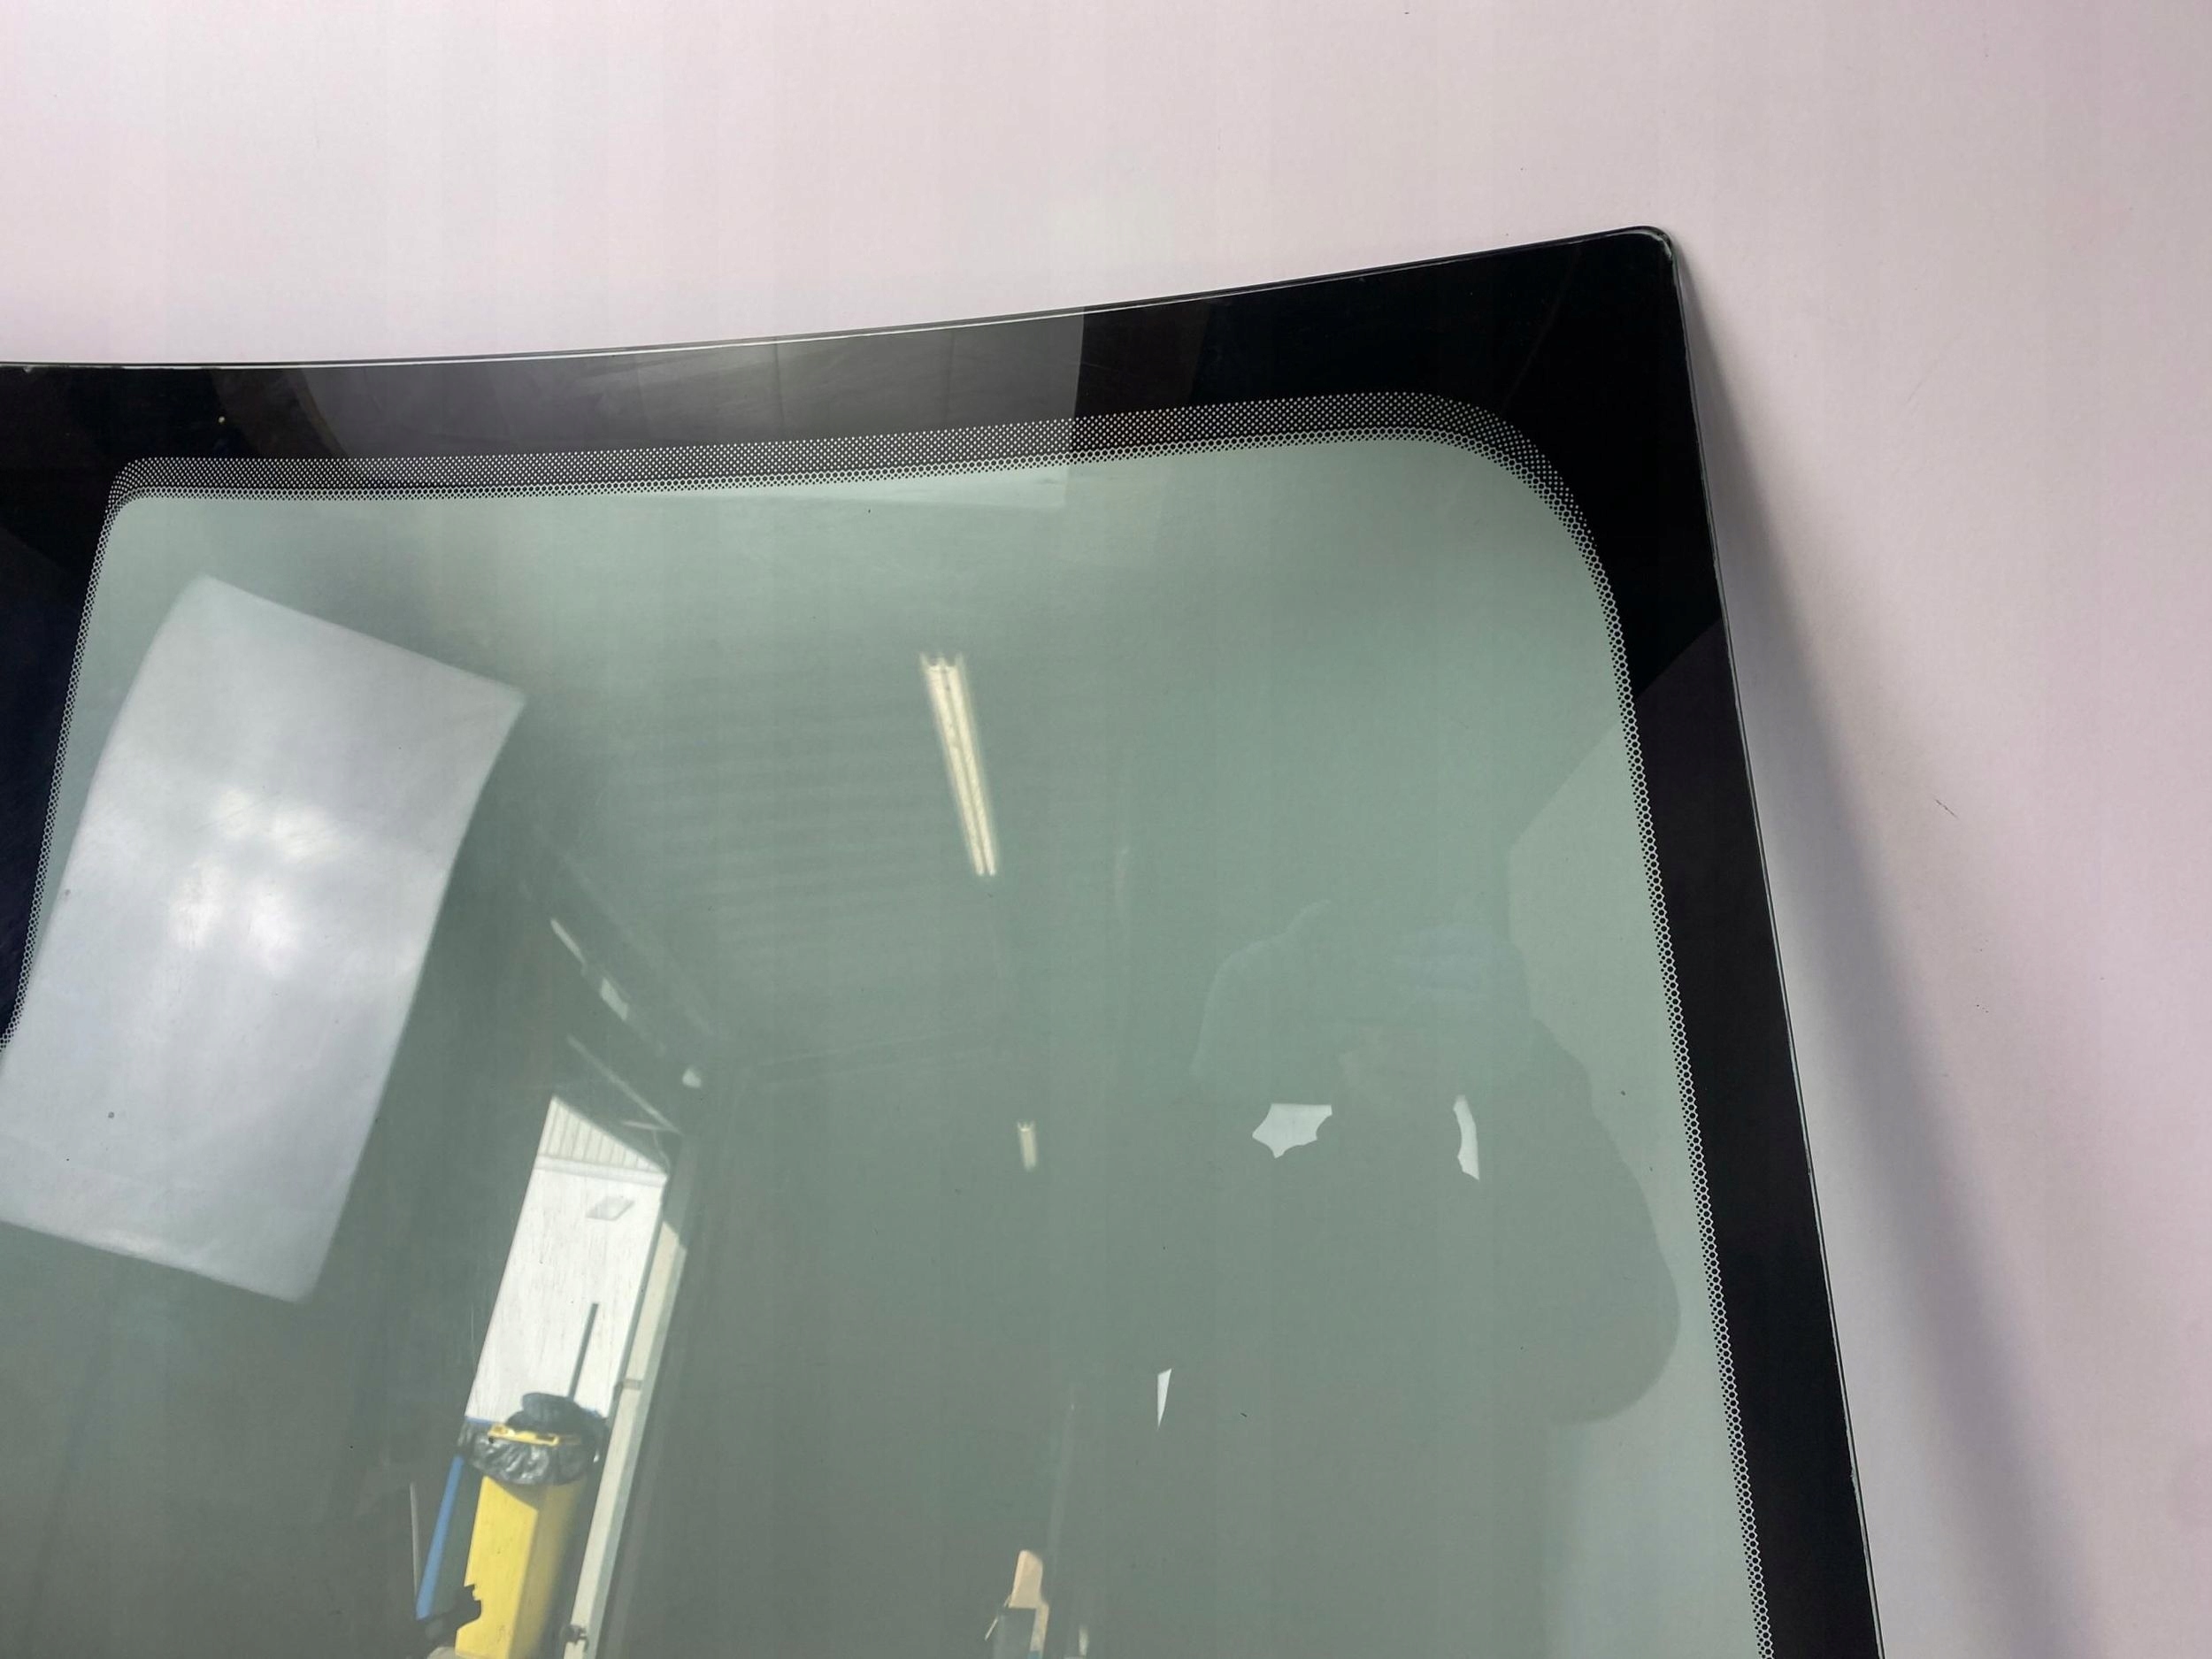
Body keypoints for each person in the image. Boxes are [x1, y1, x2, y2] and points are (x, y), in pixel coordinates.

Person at [1077, 901, 1678, 1659]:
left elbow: (1613, 1358)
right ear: (1332, 1024)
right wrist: (1530, 1076)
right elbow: (1112, 1320)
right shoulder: (1264, 1219)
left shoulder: (1485, 1239)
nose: (1400, 1030)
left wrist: (1528, 1071)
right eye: (1372, 995)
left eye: (1429, 999)